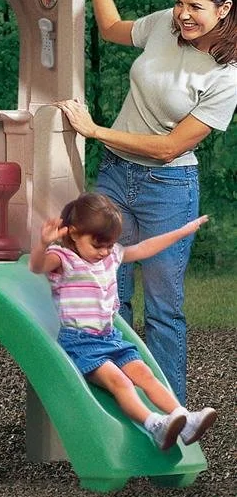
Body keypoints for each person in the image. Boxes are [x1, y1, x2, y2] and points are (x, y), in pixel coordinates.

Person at [57, 0, 237, 404]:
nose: (184, 14)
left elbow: (167, 148)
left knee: (163, 311)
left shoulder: (227, 75)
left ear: (224, 9)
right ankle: (117, 412)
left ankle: (173, 421)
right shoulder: (163, 26)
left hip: (168, 188)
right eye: (180, 3)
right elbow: (112, 25)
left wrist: (94, 131)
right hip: (116, 176)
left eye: (196, 6)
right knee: (107, 299)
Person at [29, 193, 216, 450]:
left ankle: (185, 419)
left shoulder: (110, 256)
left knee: (146, 375)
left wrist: (182, 231)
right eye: (97, 245)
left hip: (111, 338)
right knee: (121, 382)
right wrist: (42, 244)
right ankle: (154, 425)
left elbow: (143, 249)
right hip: (80, 343)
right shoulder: (63, 260)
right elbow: (36, 267)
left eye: (109, 245)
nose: (104, 252)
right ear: (73, 233)